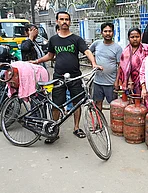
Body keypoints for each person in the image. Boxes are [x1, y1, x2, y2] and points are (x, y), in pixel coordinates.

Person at [32, 11, 102, 144]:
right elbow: (50, 55)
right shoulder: (53, 39)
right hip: (58, 77)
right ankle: (53, 130)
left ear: (70, 22)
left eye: (67, 19)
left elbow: (87, 51)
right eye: (62, 19)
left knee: (77, 103)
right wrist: (36, 62)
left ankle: (76, 128)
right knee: (56, 104)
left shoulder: (76, 39)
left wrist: (94, 63)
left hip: (75, 77)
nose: (64, 21)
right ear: (57, 21)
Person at [89, 22, 122, 111]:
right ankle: (99, 123)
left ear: (113, 32)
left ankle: (113, 124)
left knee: (114, 105)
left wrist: (117, 82)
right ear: (101, 33)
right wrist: (93, 63)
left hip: (110, 83)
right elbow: (88, 53)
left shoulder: (117, 48)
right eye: (105, 31)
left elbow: (120, 66)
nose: (108, 33)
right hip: (97, 82)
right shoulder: (96, 44)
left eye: (110, 31)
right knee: (97, 103)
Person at [115, 27, 148, 94]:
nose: (135, 39)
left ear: (141, 37)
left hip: (146, 82)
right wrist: (118, 81)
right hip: (130, 83)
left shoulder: (147, 48)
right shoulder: (125, 52)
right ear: (128, 38)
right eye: (132, 37)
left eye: (137, 37)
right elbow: (122, 69)